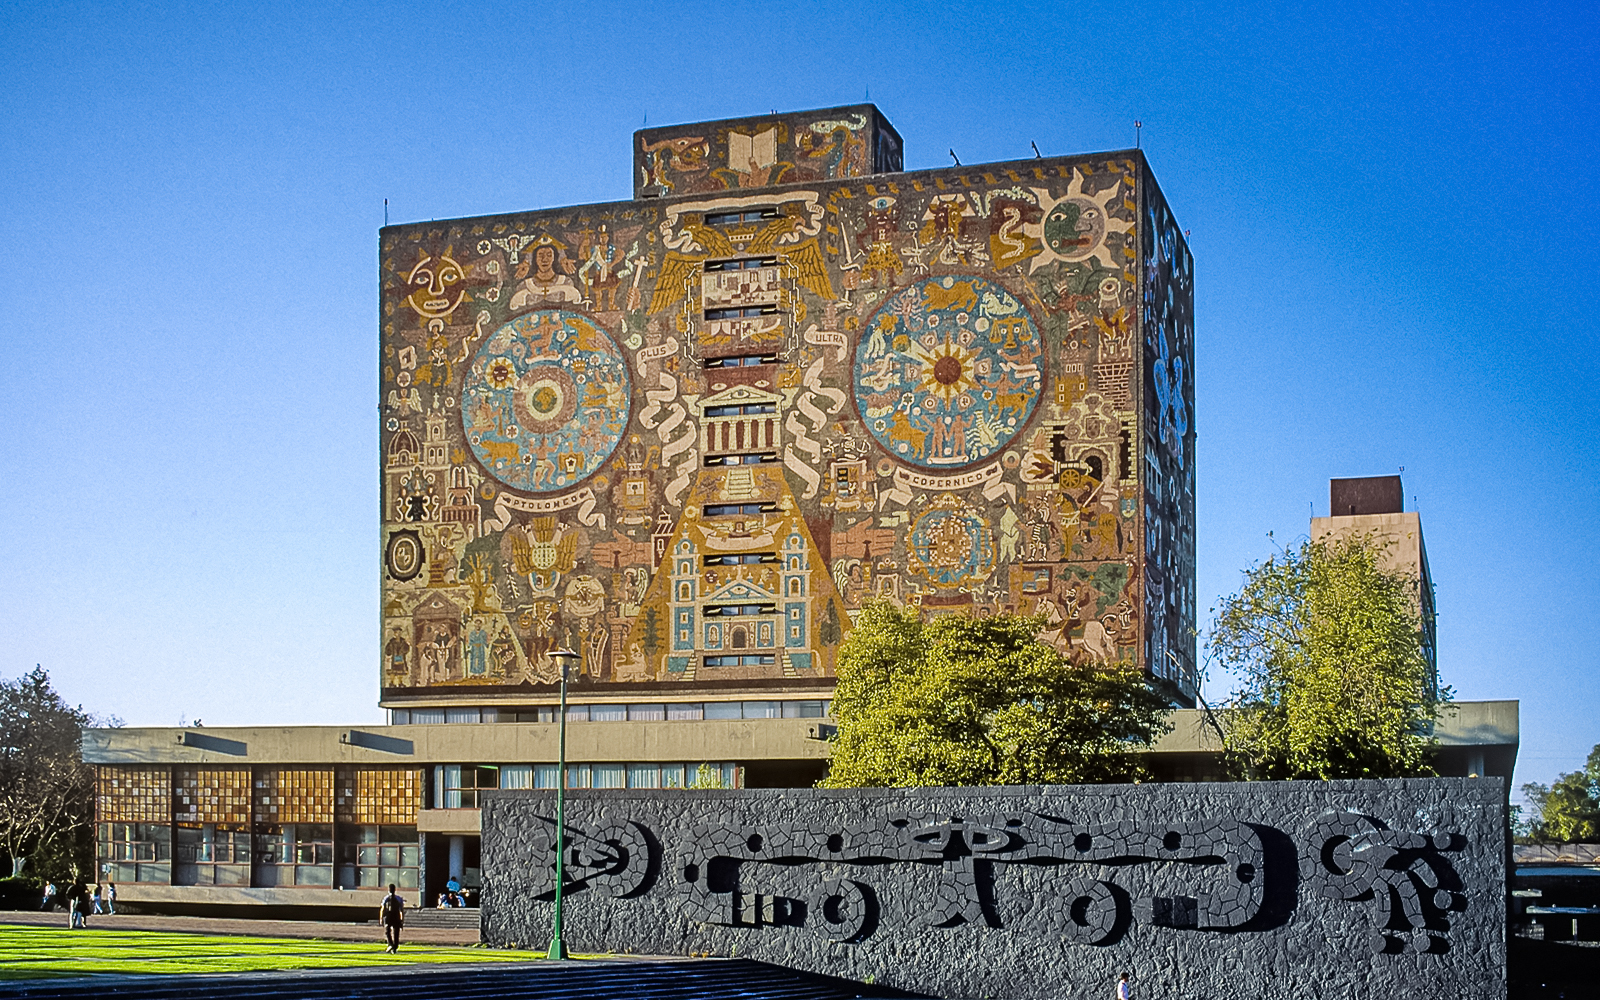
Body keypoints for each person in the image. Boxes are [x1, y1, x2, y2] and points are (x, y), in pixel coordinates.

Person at [379, 883, 405, 953]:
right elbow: (401, 910)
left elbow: (383, 908)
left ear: (389, 890)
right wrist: (402, 919)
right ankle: (395, 947)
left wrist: (381, 918)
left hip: (389, 916)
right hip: (396, 916)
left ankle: (390, 944)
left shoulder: (386, 898)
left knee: (387, 931)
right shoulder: (399, 899)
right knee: (396, 932)